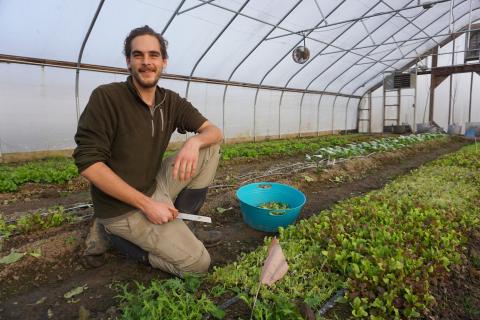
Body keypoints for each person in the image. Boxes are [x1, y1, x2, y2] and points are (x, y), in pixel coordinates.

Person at [73, 25, 223, 277]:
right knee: (197, 265)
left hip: (155, 185)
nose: (146, 62)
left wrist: (194, 143)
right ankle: (116, 237)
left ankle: (185, 224)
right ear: (128, 62)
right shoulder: (107, 98)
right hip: (123, 207)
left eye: (153, 55)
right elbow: (88, 164)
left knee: (210, 148)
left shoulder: (170, 101)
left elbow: (213, 131)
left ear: (164, 62)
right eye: (138, 55)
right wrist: (147, 204)